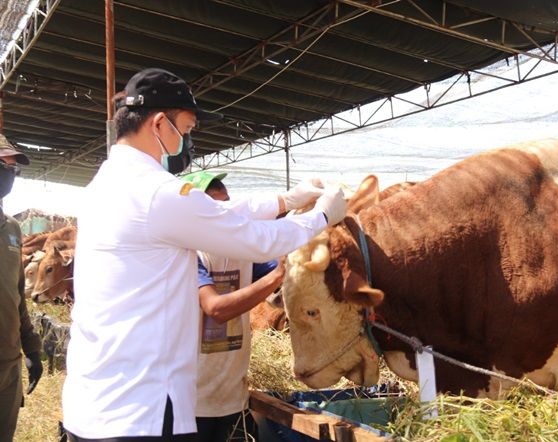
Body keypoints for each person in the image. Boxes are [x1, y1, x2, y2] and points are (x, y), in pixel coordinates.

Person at [62, 68, 347, 441]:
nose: (187, 140)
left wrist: (286, 200)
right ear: (160, 123)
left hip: (95, 401)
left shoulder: (108, 184)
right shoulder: (155, 193)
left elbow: (218, 213)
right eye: (187, 129)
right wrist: (321, 216)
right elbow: (257, 240)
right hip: (139, 411)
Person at [182, 171, 279, 441]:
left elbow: (276, 265)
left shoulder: (240, 250)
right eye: (217, 207)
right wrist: (279, 275)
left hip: (232, 393)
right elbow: (216, 308)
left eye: (228, 205)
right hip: (192, 400)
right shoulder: (189, 254)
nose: (225, 216)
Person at [0, 134, 43, 441]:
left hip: (8, 365)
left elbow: (17, 296)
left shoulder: (12, 229)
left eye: (14, 169)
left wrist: (32, 348)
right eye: (3, 165)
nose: (10, 175)